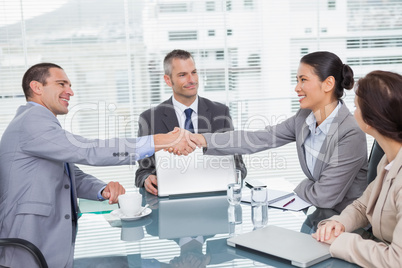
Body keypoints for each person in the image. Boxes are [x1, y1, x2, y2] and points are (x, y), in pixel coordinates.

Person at [0, 63, 194, 268]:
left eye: (70, 85)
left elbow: (68, 172)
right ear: (37, 87)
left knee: (121, 262)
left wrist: (101, 189)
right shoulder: (32, 121)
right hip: (29, 244)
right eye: (61, 84)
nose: (70, 91)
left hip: (47, 242)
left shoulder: (38, 123)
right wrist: (159, 141)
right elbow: (89, 150)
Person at [189, 51, 368, 212]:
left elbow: (324, 196)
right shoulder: (304, 118)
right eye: (297, 80)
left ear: (328, 83)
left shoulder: (350, 133)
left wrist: (302, 186)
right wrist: (202, 139)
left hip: (346, 224)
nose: (297, 88)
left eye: (303, 80)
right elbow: (258, 138)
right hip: (318, 216)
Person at [312, 70, 402, 267]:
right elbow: (364, 205)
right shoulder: (389, 159)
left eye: (356, 107)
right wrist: (340, 223)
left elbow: (397, 260)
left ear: (371, 121)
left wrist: (340, 241)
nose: (353, 113)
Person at [135, 49, 247, 195]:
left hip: (215, 197)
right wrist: (146, 178)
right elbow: (143, 170)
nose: (192, 80)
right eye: (182, 75)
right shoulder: (149, 119)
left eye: (193, 72)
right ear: (168, 80)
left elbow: (239, 167)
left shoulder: (220, 113)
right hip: (170, 200)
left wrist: (232, 177)